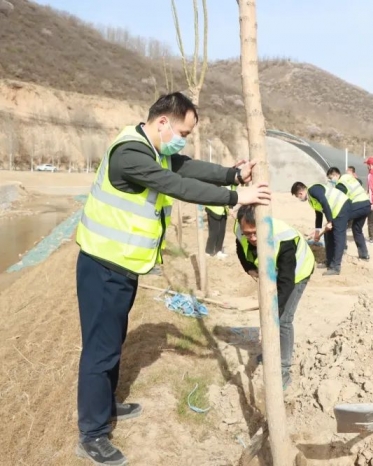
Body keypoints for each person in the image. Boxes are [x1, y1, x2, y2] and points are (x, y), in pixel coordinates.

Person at [74, 92, 271, 466]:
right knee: (100, 350)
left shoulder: (153, 149)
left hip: (121, 265)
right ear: (163, 122)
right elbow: (176, 184)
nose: (183, 140)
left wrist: (232, 175)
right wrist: (237, 196)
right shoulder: (131, 154)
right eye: (183, 132)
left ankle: (105, 404)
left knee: (112, 342)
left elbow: (187, 168)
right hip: (102, 266)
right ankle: (92, 434)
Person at [233, 205, 314, 389]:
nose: (252, 238)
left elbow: (286, 282)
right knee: (270, 311)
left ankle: (283, 370)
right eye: (248, 234)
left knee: (283, 319)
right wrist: (249, 268)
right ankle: (271, 351)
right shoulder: (240, 229)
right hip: (271, 269)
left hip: (297, 273)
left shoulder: (284, 239)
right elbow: (239, 246)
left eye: (256, 233)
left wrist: (271, 317)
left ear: (264, 226)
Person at [291, 181, 350, 276]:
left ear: (300, 193)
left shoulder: (313, 190)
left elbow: (324, 203)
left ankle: (336, 267)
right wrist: (317, 232)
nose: (299, 198)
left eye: (298, 196)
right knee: (328, 234)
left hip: (342, 206)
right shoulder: (311, 199)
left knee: (338, 236)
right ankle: (329, 262)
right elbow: (318, 214)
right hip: (334, 211)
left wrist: (329, 221)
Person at [327, 166, 371, 261]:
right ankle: (364, 255)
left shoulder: (340, 184)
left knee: (339, 223)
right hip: (367, 204)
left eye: (331, 178)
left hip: (358, 204)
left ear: (336, 175)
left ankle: (342, 249)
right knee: (357, 229)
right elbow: (359, 182)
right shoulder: (348, 177)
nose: (331, 180)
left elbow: (339, 200)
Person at [204, 185, 235, 258]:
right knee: (214, 231)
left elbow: (232, 195)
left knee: (221, 231)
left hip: (223, 210)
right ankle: (209, 251)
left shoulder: (232, 185)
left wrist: (230, 207)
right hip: (213, 209)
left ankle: (218, 250)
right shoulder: (217, 182)